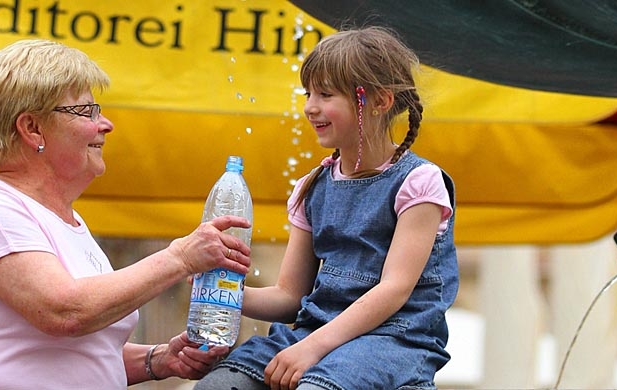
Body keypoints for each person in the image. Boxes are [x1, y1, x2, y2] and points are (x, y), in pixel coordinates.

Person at [0, 39, 252, 389]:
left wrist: (159, 359)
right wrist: (180, 258)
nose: (106, 125)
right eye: (87, 111)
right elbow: (64, 312)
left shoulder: (69, 221)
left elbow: (79, 354)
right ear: (32, 128)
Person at [195, 26, 459, 390]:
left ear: (380, 101)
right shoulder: (312, 185)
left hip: (394, 340)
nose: (310, 107)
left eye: (326, 94)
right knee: (218, 385)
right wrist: (218, 292)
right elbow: (290, 297)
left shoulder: (419, 182)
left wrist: (311, 349)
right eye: (308, 93)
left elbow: (394, 290)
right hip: (317, 332)